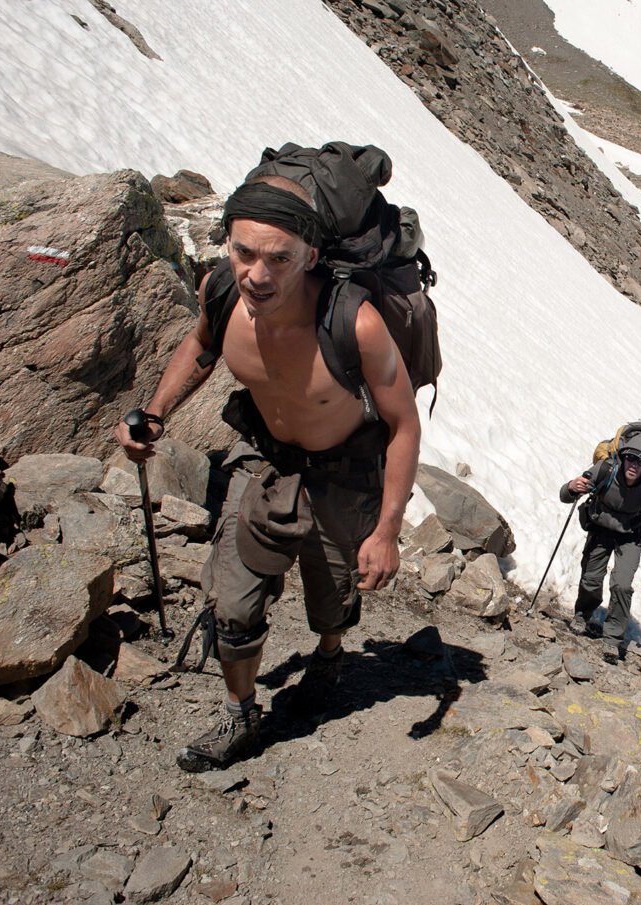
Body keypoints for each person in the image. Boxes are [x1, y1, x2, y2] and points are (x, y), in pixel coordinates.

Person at [116, 174, 420, 772]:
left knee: (332, 600)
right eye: (244, 252)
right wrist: (154, 414)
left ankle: (329, 653)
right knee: (232, 600)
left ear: (309, 255)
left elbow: (404, 424)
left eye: (279, 258)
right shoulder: (222, 290)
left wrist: (386, 532)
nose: (258, 274)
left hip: (343, 474)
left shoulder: (354, 322)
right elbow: (201, 346)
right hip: (266, 462)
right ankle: (240, 713)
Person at [560, 431, 641, 662]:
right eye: (631, 457)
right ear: (623, 456)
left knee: (622, 585)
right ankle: (582, 615)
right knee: (591, 577)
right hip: (601, 527)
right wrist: (571, 487)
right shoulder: (606, 469)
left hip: (630, 536)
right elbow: (565, 496)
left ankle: (612, 639)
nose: (634, 465)